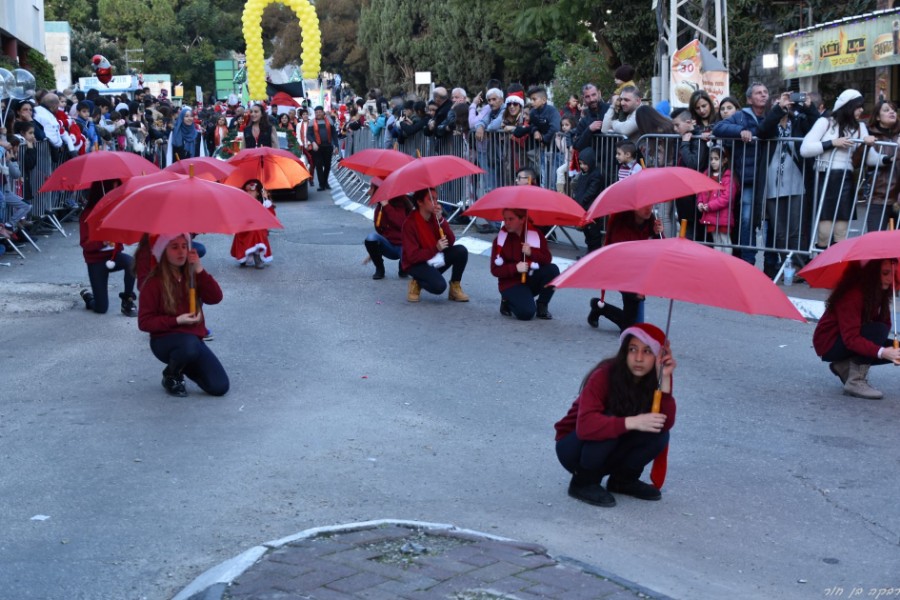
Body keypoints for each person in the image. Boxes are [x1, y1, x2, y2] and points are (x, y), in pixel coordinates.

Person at [554, 323, 676, 506]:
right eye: (632, 349)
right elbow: (586, 425)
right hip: (574, 447)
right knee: (611, 419)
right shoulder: (604, 374)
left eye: (647, 351)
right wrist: (632, 422)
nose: (639, 358)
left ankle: (623, 481)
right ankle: (583, 483)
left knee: (658, 431)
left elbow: (664, 424)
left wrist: (665, 379)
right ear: (624, 352)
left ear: (659, 356)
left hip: (612, 444)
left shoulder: (657, 376)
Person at [138, 233, 229, 398]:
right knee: (189, 346)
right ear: (163, 251)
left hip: (192, 341)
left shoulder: (192, 274)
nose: (181, 252)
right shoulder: (153, 282)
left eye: (184, 246)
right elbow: (144, 322)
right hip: (164, 341)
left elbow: (216, 298)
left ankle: (182, 364)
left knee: (219, 386)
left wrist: (200, 269)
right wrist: (177, 320)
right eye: (174, 247)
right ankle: (172, 375)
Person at [813, 259, 900, 399]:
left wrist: (890, 350)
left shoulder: (878, 292)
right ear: (872, 274)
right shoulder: (853, 294)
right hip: (829, 344)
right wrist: (883, 352)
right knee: (878, 331)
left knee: (895, 347)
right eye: (885, 273)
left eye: (893, 273)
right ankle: (855, 381)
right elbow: (852, 339)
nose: (891, 279)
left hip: (849, 339)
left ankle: (844, 366)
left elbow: (885, 324)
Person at [800, 89, 875, 250]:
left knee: (841, 233)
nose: (861, 110)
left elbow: (871, 158)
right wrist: (833, 143)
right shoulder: (825, 122)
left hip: (845, 178)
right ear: (848, 107)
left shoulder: (860, 127)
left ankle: (836, 271)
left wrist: (871, 146)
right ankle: (821, 270)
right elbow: (805, 149)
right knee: (824, 232)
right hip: (824, 177)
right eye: (858, 106)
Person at [587, 206, 663, 330]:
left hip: (637, 268)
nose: (648, 208)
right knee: (633, 299)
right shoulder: (621, 220)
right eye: (644, 205)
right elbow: (620, 255)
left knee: (631, 323)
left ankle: (600, 308)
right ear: (633, 206)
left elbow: (660, 249)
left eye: (651, 204)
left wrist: (657, 233)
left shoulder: (650, 220)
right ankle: (628, 336)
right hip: (618, 266)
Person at [79, 180, 137, 316]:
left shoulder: (115, 209)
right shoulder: (87, 214)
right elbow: (85, 244)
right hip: (96, 261)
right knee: (101, 308)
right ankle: (89, 298)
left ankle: (127, 299)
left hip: (113, 256)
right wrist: (102, 242)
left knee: (132, 263)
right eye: (114, 189)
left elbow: (124, 234)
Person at [401, 188, 469, 303]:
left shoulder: (435, 218)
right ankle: (417, 282)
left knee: (461, 251)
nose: (435, 203)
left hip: (434, 257)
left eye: (436, 199)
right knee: (439, 287)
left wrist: (441, 220)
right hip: (416, 264)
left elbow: (450, 241)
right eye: (431, 199)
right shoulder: (409, 224)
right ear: (420, 202)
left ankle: (454, 287)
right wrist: (435, 248)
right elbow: (412, 256)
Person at [491, 208, 559, 320]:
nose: (506, 223)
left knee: (553, 270)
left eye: (511, 219)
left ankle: (542, 305)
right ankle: (507, 300)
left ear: (522, 220)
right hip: (511, 283)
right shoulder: (500, 239)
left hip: (530, 278)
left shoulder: (536, 234)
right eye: (505, 219)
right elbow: (495, 270)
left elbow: (547, 259)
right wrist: (515, 268)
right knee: (526, 313)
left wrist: (532, 253)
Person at [863, 99, 900, 233]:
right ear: (878, 117)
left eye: (894, 110)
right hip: (878, 197)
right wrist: (864, 144)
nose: (892, 112)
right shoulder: (869, 135)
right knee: (875, 242)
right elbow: (859, 161)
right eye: (886, 110)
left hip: (898, 197)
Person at [364, 180, 411, 280]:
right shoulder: (379, 208)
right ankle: (379, 269)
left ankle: (403, 267)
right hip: (390, 245)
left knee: (404, 272)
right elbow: (379, 231)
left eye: (371, 188)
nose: (368, 192)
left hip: (404, 246)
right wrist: (373, 252)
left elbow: (400, 224)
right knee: (371, 238)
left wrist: (387, 206)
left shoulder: (399, 202)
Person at [696, 146, 739, 252]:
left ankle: (727, 263)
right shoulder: (707, 175)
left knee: (725, 240)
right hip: (710, 214)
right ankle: (719, 264)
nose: (713, 162)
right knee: (716, 240)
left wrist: (710, 206)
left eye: (716, 159)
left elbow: (727, 197)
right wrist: (700, 202)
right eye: (711, 159)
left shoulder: (728, 177)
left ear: (724, 160)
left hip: (723, 215)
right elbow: (701, 191)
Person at [230, 179, 275, 268]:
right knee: (253, 231)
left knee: (257, 231)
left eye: (252, 191)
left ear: (258, 193)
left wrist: (266, 200)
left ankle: (257, 255)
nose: (249, 193)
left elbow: (271, 216)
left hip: (258, 229)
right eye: (247, 191)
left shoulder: (263, 203)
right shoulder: (241, 203)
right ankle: (245, 256)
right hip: (244, 229)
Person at [572, 148, 606, 252]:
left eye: (584, 164)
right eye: (581, 163)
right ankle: (590, 253)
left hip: (592, 209)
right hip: (584, 208)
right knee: (587, 234)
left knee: (593, 235)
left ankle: (593, 254)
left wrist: (580, 202)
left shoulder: (596, 175)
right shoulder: (583, 174)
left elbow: (591, 192)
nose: (582, 166)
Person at [307, 106, 337, 191]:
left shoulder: (329, 121)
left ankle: (325, 182)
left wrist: (336, 145)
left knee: (327, 165)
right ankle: (321, 184)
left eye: (320, 112)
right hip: (317, 147)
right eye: (316, 112)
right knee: (319, 165)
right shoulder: (312, 122)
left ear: (323, 112)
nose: (318, 114)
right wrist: (313, 142)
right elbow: (308, 134)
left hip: (328, 146)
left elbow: (334, 134)